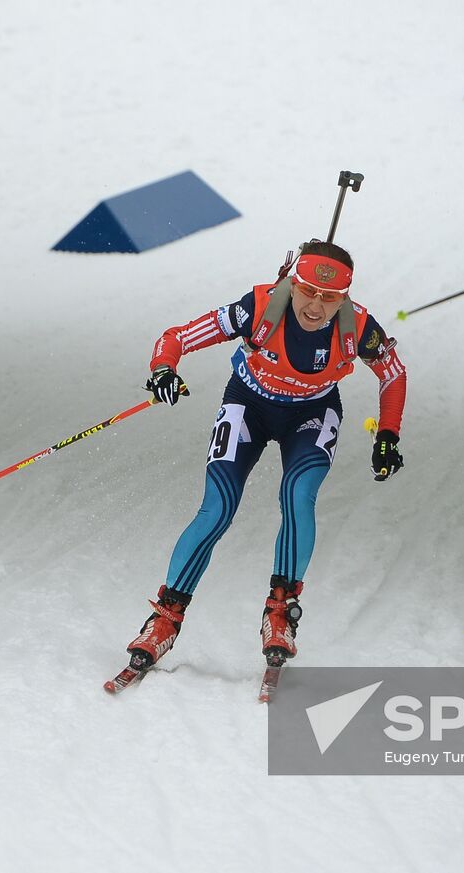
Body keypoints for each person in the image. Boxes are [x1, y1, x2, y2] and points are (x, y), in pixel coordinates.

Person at [118, 239, 407, 676]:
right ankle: (164, 619)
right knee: (217, 508)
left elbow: (393, 373)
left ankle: (281, 614)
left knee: (297, 496)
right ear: (292, 284)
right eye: (308, 291)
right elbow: (177, 337)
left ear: (344, 297)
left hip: (312, 413)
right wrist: (164, 369)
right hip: (248, 404)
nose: (316, 306)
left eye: (330, 298)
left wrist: (388, 434)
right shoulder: (259, 307)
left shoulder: (359, 327)